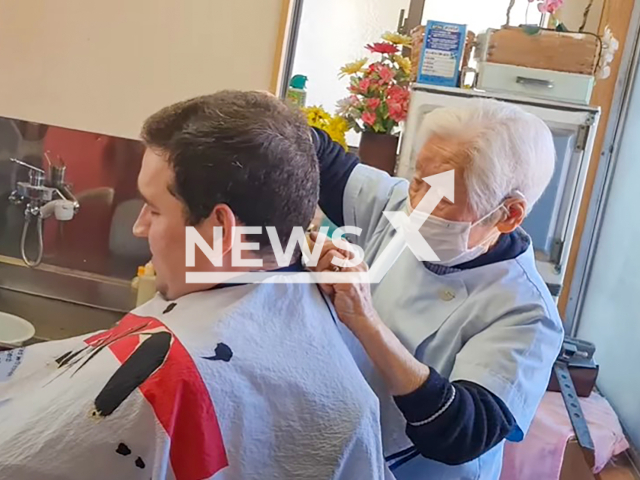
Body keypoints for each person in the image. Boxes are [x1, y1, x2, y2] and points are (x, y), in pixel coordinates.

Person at [0, 91, 390, 480]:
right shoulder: (321, 328)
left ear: (219, 229)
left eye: (154, 209)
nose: (139, 227)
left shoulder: (177, 371)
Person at [309, 98, 564, 480]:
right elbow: (324, 161)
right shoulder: (398, 203)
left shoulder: (526, 313)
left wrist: (365, 321)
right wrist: (277, 123)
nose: (416, 207)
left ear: (508, 214)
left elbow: (460, 432)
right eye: (416, 182)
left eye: (442, 199)